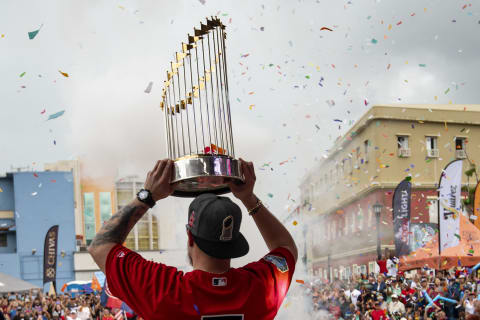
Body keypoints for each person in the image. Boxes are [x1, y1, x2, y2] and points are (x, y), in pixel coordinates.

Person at [88, 159, 298, 320]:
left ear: (190, 237)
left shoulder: (164, 291)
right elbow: (285, 247)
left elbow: (100, 246)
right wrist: (249, 198)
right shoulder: (260, 289)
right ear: (234, 243)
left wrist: (148, 195)